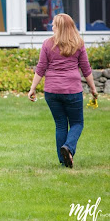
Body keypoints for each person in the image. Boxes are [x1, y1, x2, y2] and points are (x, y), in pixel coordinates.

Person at [27, 13, 98, 169]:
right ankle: (69, 148)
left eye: (54, 24)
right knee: (77, 123)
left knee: (60, 125)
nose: (51, 27)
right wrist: (93, 89)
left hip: (51, 91)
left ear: (60, 27)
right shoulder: (78, 44)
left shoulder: (47, 44)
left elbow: (41, 68)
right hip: (72, 90)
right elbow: (86, 69)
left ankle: (63, 160)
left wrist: (33, 89)